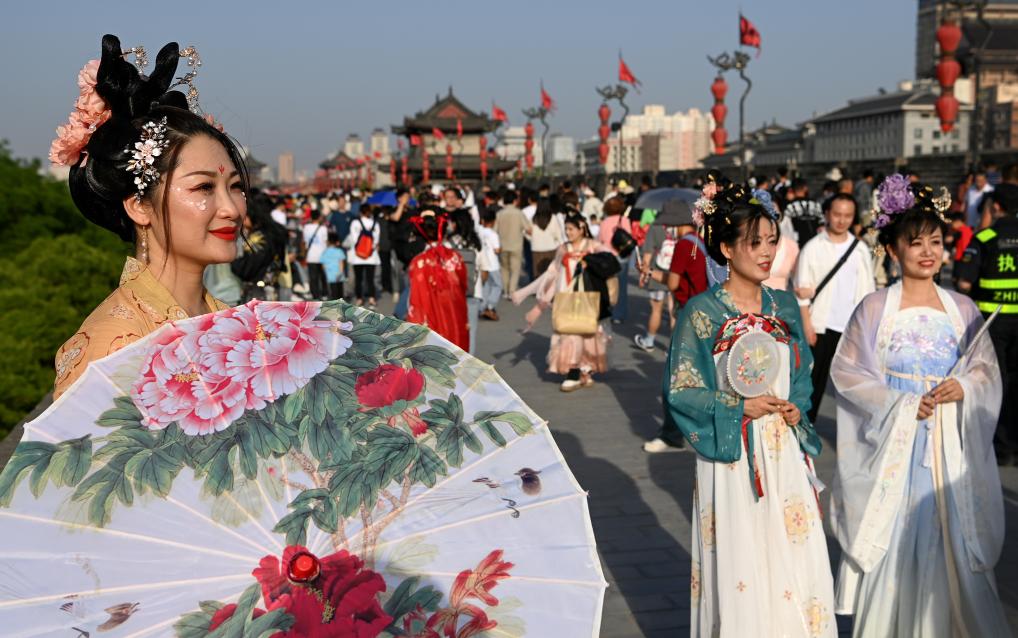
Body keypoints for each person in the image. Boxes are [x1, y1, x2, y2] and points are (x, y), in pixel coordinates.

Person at [830, 178, 1008, 636]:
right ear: (893, 250)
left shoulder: (963, 308)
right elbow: (849, 374)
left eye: (935, 241)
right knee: (895, 535)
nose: (928, 252)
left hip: (947, 448)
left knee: (950, 538)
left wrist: (963, 387)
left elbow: (986, 371)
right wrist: (902, 403)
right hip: (896, 447)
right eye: (915, 243)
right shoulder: (874, 308)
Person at [665, 179, 834, 636]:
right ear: (725, 248)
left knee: (795, 549)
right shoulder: (701, 312)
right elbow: (682, 389)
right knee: (741, 556)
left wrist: (797, 408)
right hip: (731, 452)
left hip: (783, 447)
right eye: (754, 242)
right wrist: (736, 405)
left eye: (772, 241)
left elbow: (802, 370)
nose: (766, 253)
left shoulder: (784, 306)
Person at [52, 35, 243, 398]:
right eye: (204, 187)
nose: (231, 208)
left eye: (235, 186)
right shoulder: (113, 347)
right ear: (139, 205)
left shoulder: (231, 323)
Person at [513, 213, 619, 392]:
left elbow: (611, 261)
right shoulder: (562, 249)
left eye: (571, 229)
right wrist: (536, 299)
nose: (568, 232)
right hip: (566, 297)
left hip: (588, 297)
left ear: (581, 228)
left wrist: (591, 261)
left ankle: (585, 369)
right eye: (566, 229)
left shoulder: (593, 246)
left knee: (588, 333)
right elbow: (552, 274)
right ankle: (573, 372)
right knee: (569, 333)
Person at [795, 193, 874, 423]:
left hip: (852, 327)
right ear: (827, 214)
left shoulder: (860, 249)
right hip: (820, 326)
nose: (842, 220)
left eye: (848, 215)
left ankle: (852, 433)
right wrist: (807, 325)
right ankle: (805, 428)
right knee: (813, 384)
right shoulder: (813, 247)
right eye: (837, 214)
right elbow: (801, 291)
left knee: (852, 386)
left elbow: (868, 292)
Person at [955, 182, 1018, 466]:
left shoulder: (985, 238)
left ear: (996, 207)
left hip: (993, 321)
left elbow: (964, 283)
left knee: (996, 381)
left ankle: (1002, 447)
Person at [406, 211, 469, 351]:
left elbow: (416, 298)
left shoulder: (419, 262)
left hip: (429, 315)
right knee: (455, 352)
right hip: (454, 313)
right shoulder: (455, 258)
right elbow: (463, 286)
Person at [634, 199, 686, 352]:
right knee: (673, 312)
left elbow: (647, 254)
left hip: (657, 273)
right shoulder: (682, 228)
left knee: (656, 309)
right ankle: (673, 348)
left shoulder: (656, 227)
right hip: (676, 273)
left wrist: (643, 275)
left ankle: (649, 341)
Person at [232, 191, 288, 302]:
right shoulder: (274, 232)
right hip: (271, 291)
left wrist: (230, 259)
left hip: (258, 295)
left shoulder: (260, 238)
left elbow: (245, 268)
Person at [446, 208, 483, 354]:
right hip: (473, 292)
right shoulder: (476, 243)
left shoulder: (448, 243)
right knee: (471, 331)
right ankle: (469, 362)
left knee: (452, 329)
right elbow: (484, 269)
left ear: (455, 224)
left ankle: (452, 360)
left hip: (452, 294)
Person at [597, 196, 635, 324]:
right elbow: (629, 238)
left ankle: (606, 309)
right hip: (622, 256)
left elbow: (600, 240)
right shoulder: (624, 220)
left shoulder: (604, 222)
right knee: (622, 287)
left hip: (607, 257)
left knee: (607, 285)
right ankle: (618, 314)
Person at [494, 190, 531, 297]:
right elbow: (528, 229)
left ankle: (505, 291)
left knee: (504, 268)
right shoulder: (519, 213)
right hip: (516, 245)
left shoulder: (499, 214)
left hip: (503, 245)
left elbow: (495, 230)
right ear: (515, 200)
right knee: (515, 270)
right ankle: (512, 291)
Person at [347, 203, 381, 308]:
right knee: (370, 279)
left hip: (358, 256)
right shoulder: (375, 223)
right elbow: (376, 240)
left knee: (359, 279)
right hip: (371, 256)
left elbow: (353, 239)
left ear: (360, 212)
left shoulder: (355, 223)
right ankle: (372, 299)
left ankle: (359, 299)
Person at [477, 209, 503, 321]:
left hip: (482, 263)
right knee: (497, 285)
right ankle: (490, 306)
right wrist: (501, 249)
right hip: (493, 263)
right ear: (493, 221)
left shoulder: (479, 231)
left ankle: (482, 307)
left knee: (486, 286)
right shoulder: (493, 234)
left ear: (482, 220)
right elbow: (497, 250)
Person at [529, 198, 565, 276]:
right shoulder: (553, 218)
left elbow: (527, 232)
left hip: (536, 249)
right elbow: (558, 234)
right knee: (551, 273)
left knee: (538, 273)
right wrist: (562, 244)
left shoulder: (533, 219)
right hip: (551, 248)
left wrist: (531, 239)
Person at [785, 178, 824, 248]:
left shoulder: (790, 206)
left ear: (791, 190)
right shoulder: (816, 205)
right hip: (816, 242)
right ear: (805, 188)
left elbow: (786, 227)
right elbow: (822, 223)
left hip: (798, 244)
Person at [302, 209, 329, 300]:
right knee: (323, 276)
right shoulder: (323, 228)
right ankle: (324, 294)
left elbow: (304, 242)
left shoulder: (306, 227)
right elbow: (326, 242)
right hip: (322, 256)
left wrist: (304, 254)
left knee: (313, 277)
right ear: (319, 217)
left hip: (310, 256)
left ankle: (315, 295)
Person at [320, 231, 347, 300]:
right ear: (337, 242)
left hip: (330, 276)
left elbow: (323, 265)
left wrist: (326, 272)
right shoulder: (339, 251)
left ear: (328, 242)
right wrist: (340, 272)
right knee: (340, 292)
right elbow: (341, 263)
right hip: (339, 275)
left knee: (333, 293)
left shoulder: (325, 252)